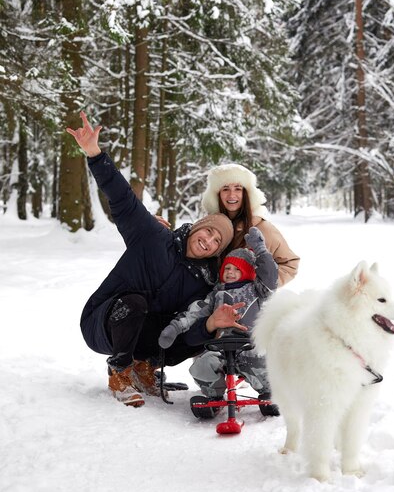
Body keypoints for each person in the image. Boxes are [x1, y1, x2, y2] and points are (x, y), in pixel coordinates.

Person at [66, 112, 239, 408]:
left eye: (215, 243)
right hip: (104, 321)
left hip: (146, 330)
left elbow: (193, 329)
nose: (207, 241)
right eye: (208, 232)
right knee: (135, 303)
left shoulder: (202, 282)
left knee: (192, 332)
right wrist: (95, 154)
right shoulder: (153, 236)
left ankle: (145, 367)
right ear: (197, 227)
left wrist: (211, 323)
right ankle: (120, 370)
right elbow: (123, 199)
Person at [158, 226, 279, 410]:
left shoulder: (257, 289)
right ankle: (214, 398)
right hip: (221, 347)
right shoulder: (217, 293)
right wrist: (175, 327)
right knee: (202, 364)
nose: (230, 272)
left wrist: (261, 249)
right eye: (227, 268)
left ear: (246, 271)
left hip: (250, 344)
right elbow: (195, 311)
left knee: (259, 360)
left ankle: (269, 394)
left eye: (236, 268)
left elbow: (270, 275)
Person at [201, 163, 300, 286]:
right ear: (217, 194)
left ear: (247, 193)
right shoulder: (209, 226)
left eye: (238, 189)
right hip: (208, 300)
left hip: (244, 303)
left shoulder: (262, 228)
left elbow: (290, 264)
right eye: (225, 189)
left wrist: (259, 287)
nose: (232, 195)